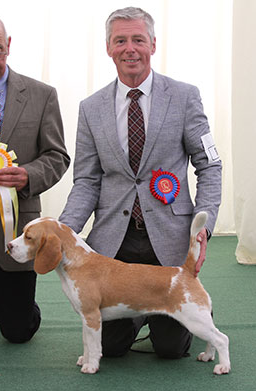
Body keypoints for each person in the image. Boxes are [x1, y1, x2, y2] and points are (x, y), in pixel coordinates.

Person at [60, 7, 221, 359]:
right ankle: (137, 311)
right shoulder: (90, 108)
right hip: (113, 243)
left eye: (138, 39)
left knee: (171, 350)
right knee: (114, 349)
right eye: (121, 40)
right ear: (108, 48)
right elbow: (86, 180)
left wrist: (203, 226)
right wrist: (64, 231)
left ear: (153, 44)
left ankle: (190, 307)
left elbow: (209, 165)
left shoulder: (184, 96)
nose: (130, 48)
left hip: (170, 237)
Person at [0, 11, 70, 343]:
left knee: (18, 331)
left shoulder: (42, 95)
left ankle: (5, 301)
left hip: (14, 220)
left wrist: (27, 175)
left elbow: (57, 157)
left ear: (8, 46)